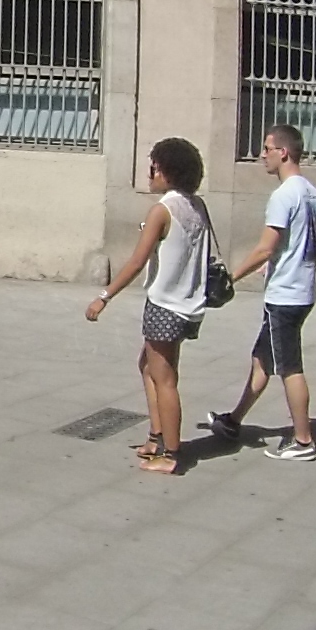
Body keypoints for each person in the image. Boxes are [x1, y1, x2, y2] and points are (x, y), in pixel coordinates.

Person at [85, 138, 213, 476]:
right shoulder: (197, 206)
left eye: (153, 167)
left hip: (165, 305)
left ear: (168, 172)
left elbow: (136, 262)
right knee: (147, 365)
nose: (149, 174)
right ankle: (156, 437)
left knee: (165, 379)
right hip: (188, 306)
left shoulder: (162, 211)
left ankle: (171, 453)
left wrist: (104, 296)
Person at [213, 122, 316, 462]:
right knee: (262, 359)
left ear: (284, 152)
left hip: (286, 297)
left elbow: (265, 247)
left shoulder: (284, 195)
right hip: (301, 289)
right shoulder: (314, 195)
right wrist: (280, 261)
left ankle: (303, 441)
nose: (262, 155)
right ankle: (233, 421)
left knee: (289, 367)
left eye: (267, 149)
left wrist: (232, 277)